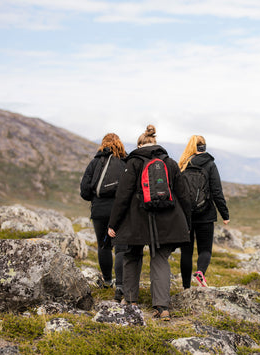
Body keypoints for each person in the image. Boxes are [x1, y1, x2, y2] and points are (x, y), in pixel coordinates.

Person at [107, 125, 190, 319]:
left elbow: (123, 196)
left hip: (136, 220)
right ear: (156, 143)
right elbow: (183, 194)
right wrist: (186, 221)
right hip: (167, 219)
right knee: (160, 259)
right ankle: (162, 308)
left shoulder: (133, 162)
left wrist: (113, 224)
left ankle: (130, 299)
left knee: (132, 255)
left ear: (139, 145)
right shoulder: (169, 162)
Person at [80, 133, 127, 301]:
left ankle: (107, 281)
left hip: (99, 211)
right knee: (121, 247)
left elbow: (84, 191)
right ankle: (121, 285)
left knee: (104, 246)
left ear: (103, 144)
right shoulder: (124, 163)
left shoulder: (95, 163)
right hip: (120, 211)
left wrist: (95, 198)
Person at [178, 135, 230, 289]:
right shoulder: (210, 164)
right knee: (205, 249)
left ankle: (186, 287)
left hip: (186, 215)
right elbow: (216, 192)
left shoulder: (183, 164)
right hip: (205, 214)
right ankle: (200, 272)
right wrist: (225, 214)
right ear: (204, 147)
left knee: (186, 252)